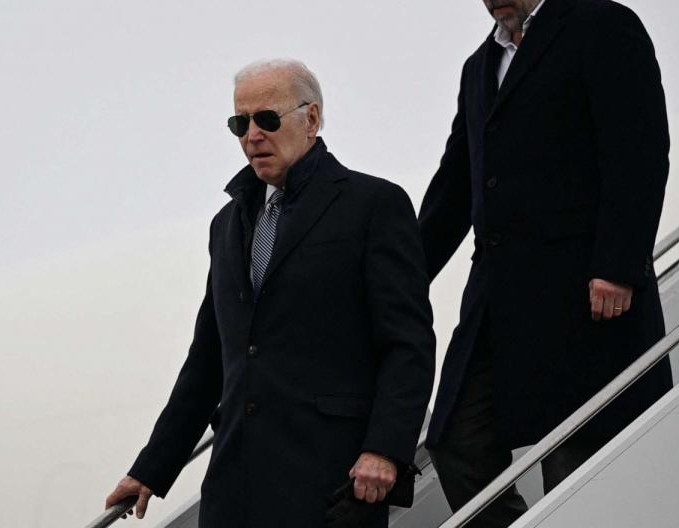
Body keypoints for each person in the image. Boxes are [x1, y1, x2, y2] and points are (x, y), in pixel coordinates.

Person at [418, 0, 672, 526]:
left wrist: (617, 264)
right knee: (456, 441)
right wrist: (398, 274)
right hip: (498, 299)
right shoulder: (479, 68)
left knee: (578, 462)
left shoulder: (602, 27)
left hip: (585, 294)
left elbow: (639, 153)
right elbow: (455, 187)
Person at [104, 59, 435, 527]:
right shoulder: (227, 225)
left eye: (267, 119)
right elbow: (209, 360)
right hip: (235, 487)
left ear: (312, 119)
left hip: (331, 483)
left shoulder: (372, 205)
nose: (252, 135)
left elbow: (409, 344)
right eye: (240, 123)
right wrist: (151, 468)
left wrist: (384, 449)